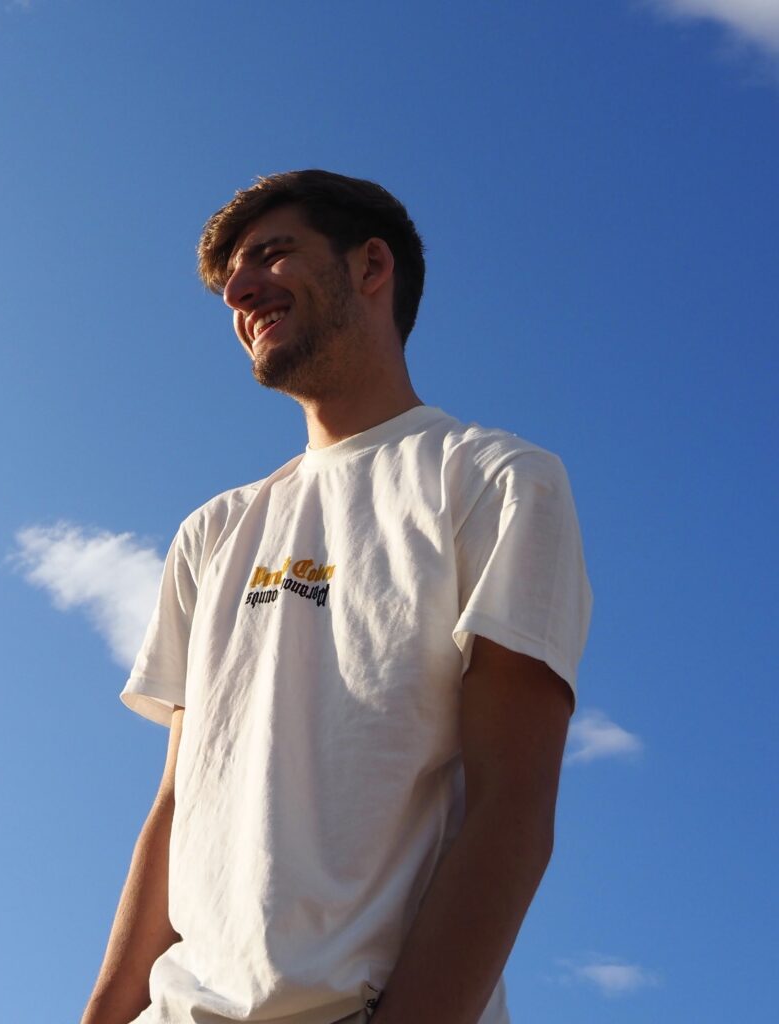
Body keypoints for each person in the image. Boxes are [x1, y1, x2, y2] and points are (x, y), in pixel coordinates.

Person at [81, 170, 592, 1024]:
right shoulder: (212, 533)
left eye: (272, 256)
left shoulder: (497, 483)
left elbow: (514, 807)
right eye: (230, 284)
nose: (240, 291)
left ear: (371, 267)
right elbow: (176, 809)